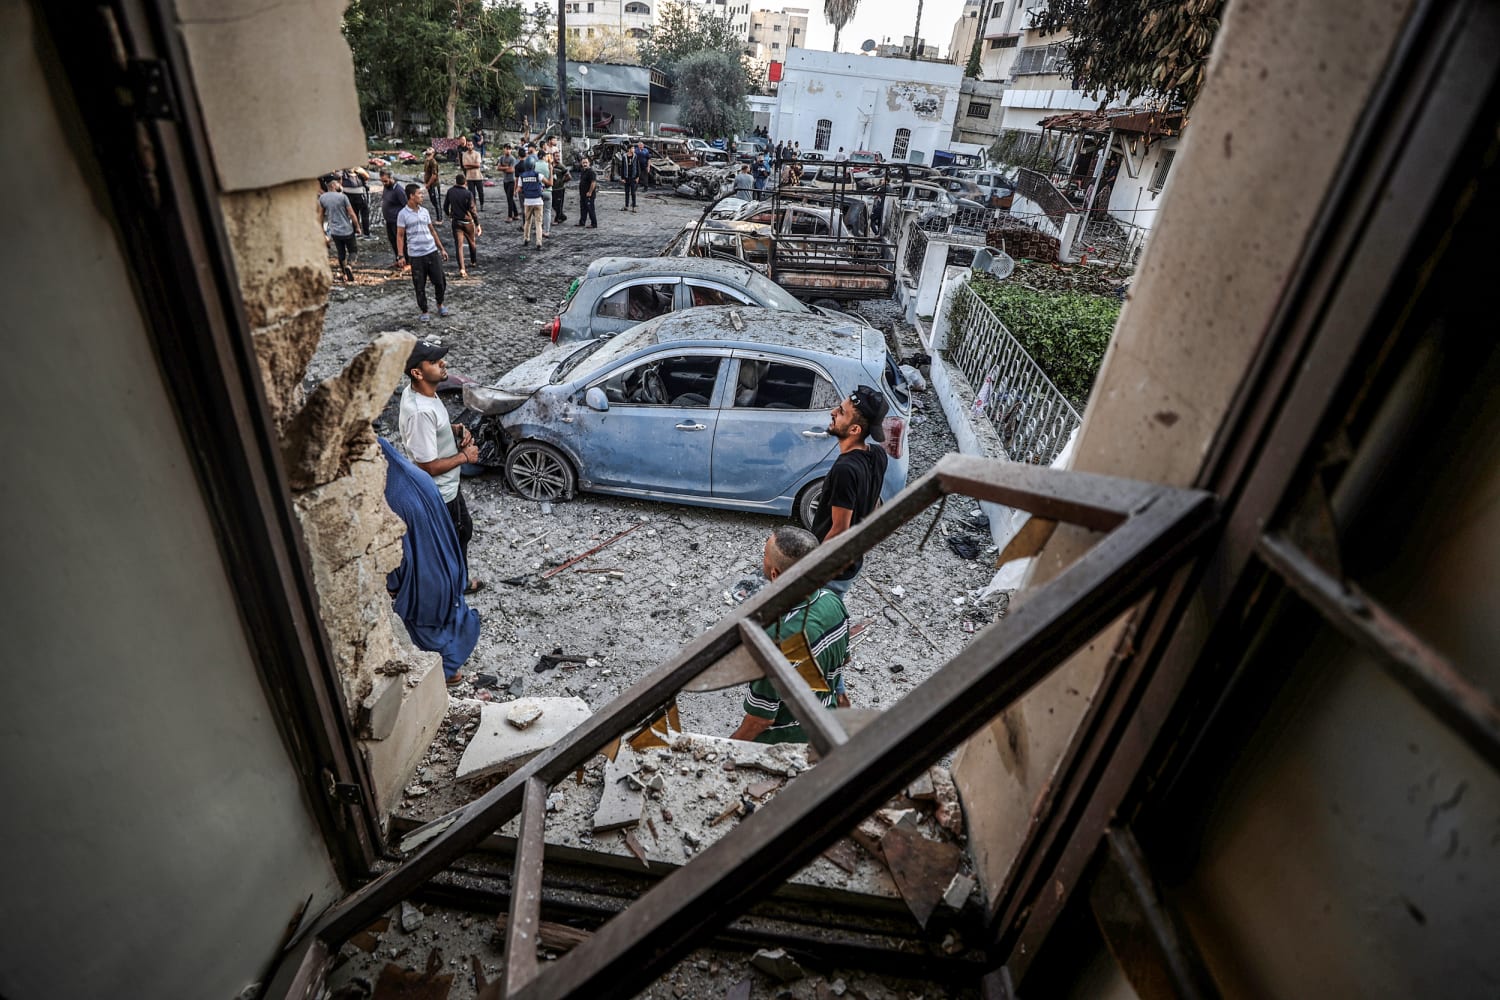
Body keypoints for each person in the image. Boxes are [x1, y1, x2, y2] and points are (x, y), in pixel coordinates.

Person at [730, 526, 851, 744]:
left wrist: (729, 746)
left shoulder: (774, 641)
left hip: (785, 740)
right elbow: (844, 659)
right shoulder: (832, 601)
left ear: (775, 574)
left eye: (765, 556)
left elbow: (761, 720)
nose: (762, 560)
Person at [379, 437, 480, 686]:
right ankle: (454, 662)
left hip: (424, 577)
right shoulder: (416, 476)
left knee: (428, 625)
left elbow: (397, 552)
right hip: (447, 561)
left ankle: (449, 672)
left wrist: (393, 585)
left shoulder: (391, 500)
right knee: (449, 613)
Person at [398, 338, 482, 596]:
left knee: (462, 532)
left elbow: (431, 434)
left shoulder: (422, 392)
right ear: (417, 372)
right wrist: (465, 457)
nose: (442, 363)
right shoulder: (421, 412)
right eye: (434, 362)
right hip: (439, 493)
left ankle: (453, 583)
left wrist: (453, 430)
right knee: (453, 539)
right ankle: (454, 589)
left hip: (447, 487)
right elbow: (428, 466)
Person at [811, 385, 889, 595]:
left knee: (815, 621)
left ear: (855, 430)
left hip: (831, 570)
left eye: (841, 412)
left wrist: (811, 570)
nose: (833, 413)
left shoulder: (845, 469)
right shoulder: (878, 455)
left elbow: (839, 530)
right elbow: (873, 506)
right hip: (851, 562)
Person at [395, 184, 450, 321]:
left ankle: (440, 304)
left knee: (440, 281)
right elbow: (400, 236)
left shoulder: (424, 211)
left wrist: (441, 248)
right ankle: (424, 310)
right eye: (419, 194)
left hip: (431, 251)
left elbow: (432, 230)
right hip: (416, 255)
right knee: (419, 284)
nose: (422, 196)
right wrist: (401, 255)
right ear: (411, 196)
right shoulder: (402, 215)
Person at [318, 175, 362, 282]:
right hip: (347, 230)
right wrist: (357, 227)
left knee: (341, 253)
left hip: (335, 231)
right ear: (333, 185)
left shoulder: (322, 198)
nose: (339, 184)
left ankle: (344, 274)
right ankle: (349, 266)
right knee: (353, 251)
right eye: (337, 183)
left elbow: (320, 216)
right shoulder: (343, 197)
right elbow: (352, 214)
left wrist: (322, 230)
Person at [443, 173, 480, 276]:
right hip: (467, 222)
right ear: (465, 182)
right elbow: (472, 210)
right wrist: (477, 224)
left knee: (458, 246)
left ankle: (462, 269)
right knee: (472, 242)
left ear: (456, 181)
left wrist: (449, 215)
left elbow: (445, 206)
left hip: (456, 222)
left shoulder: (450, 191)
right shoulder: (468, 193)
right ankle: (473, 261)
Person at [379, 168, 408, 268]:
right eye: (382, 181)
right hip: (389, 220)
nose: (384, 183)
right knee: (392, 240)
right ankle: (398, 259)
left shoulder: (398, 190)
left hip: (397, 221)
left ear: (391, 178)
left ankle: (407, 261)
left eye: (386, 181)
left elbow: (406, 205)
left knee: (401, 241)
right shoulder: (386, 188)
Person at [517, 147, 545, 249]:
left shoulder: (522, 176)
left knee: (527, 221)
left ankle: (526, 238)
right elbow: (548, 183)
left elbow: (519, 189)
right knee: (538, 223)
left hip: (527, 201)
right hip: (538, 201)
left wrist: (525, 189)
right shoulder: (538, 175)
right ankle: (538, 242)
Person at [341, 167, 371, 235]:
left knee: (362, 213)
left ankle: (364, 232)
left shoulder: (358, 170)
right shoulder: (343, 172)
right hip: (350, 195)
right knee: (355, 213)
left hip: (358, 194)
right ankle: (359, 231)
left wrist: (360, 171)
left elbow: (367, 177)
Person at [460, 136, 485, 212]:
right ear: (466, 145)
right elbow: (464, 165)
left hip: (478, 176)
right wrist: (473, 165)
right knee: (471, 193)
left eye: (471, 144)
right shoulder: (464, 154)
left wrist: (469, 165)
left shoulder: (477, 154)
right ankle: (473, 206)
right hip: (469, 177)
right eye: (468, 145)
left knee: (480, 192)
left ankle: (481, 205)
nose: (470, 146)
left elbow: (478, 165)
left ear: (473, 145)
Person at [495, 143, 519, 221]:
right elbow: (498, 168)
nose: (508, 150)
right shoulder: (502, 158)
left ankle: (510, 216)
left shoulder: (512, 159)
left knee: (509, 198)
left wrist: (503, 168)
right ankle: (516, 214)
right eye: (506, 148)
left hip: (512, 181)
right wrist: (506, 167)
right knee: (510, 198)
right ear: (504, 149)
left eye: (509, 149)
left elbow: (512, 170)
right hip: (505, 180)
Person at [575, 155, 598, 228]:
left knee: (590, 209)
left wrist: (590, 192)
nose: (585, 164)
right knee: (583, 208)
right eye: (583, 163)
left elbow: (593, 182)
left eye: (586, 163)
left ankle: (594, 223)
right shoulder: (583, 171)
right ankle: (582, 222)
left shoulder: (591, 172)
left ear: (589, 163)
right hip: (583, 194)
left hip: (589, 194)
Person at [536, 148, 554, 238]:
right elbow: (553, 178)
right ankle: (546, 231)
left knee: (538, 212)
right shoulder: (548, 166)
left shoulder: (534, 165)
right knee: (547, 211)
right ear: (543, 157)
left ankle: (538, 229)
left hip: (537, 192)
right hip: (548, 191)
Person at [423, 148, 443, 222]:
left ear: (433, 154)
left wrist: (428, 184)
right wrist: (425, 182)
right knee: (433, 200)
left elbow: (434, 175)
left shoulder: (433, 162)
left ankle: (439, 219)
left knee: (436, 201)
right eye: (427, 154)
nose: (427, 155)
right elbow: (426, 172)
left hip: (434, 184)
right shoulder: (426, 161)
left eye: (429, 154)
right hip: (429, 183)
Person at [551, 152, 570, 225]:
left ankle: (557, 219)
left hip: (559, 189)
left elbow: (569, 176)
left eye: (559, 156)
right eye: (556, 156)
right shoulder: (550, 165)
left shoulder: (562, 167)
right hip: (552, 188)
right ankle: (562, 216)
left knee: (559, 205)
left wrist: (562, 182)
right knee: (553, 204)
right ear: (553, 157)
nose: (558, 158)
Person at [620, 142, 640, 212]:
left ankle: (634, 206)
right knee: (627, 192)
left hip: (633, 177)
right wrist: (622, 177)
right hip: (626, 176)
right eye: (632, 148)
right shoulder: (624, 156)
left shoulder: (635, 156)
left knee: (633, 192)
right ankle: (626, 206)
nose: (633, 149)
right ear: (629, 149)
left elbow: (638, 167)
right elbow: (622, 167)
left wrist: (637, 176)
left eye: (634, 148)